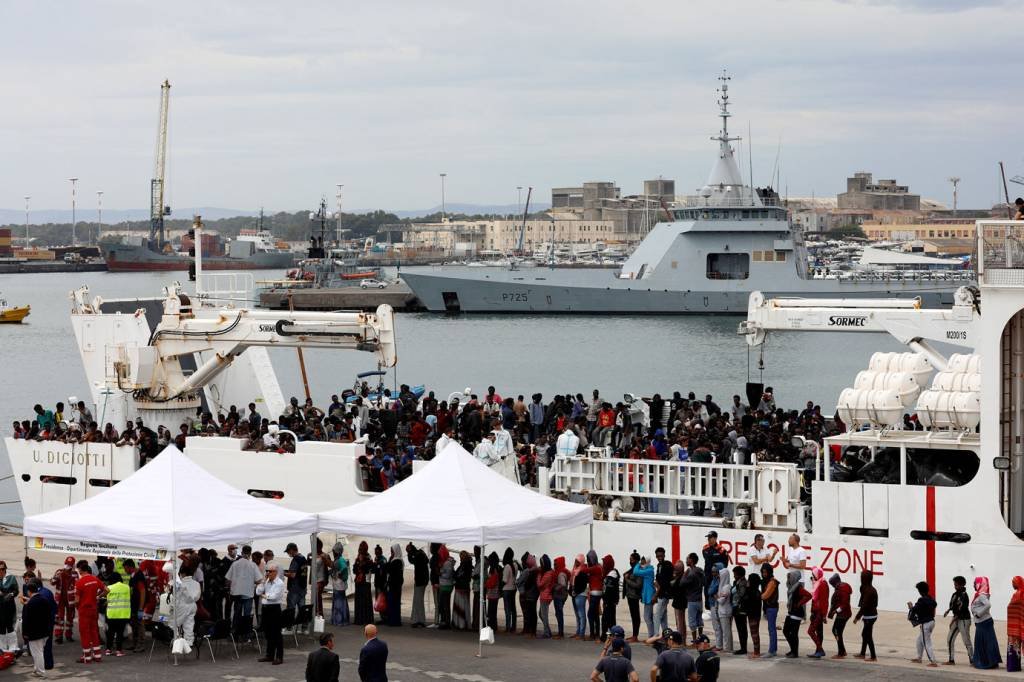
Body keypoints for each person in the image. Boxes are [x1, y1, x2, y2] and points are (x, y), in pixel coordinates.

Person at [73, 561, 108, 664]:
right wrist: (98, 596)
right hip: (94, 610)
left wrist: (77, 607)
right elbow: (107, 590)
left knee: (85, 634)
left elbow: (76, 600)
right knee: (94, 632)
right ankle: (97, 656)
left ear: (80, 570)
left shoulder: (79, 582)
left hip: (84, 611)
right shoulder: (95, 579)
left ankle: (87, 657)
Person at [226, 544, 263, 637]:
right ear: (250, 554)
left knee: (237, 614)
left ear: (241, 553)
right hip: (248, 594)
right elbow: (259, 580)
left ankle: (234, 633)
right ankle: (246, 634)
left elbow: (228, 580)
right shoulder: (253, 565)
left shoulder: (235, 564)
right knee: (247, 615)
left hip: (236, 593)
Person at [22, 580, 52, 678]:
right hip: (45, 631)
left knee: (37, 653)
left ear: (29, 591)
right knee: (40, 651)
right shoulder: (44, 599)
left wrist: (25, 633)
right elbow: (49, 615)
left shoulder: (30, 604)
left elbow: (26, 620)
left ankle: (41, 672)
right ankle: (36, 669)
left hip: (34, 633)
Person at [256, 563, 285, 665]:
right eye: (267, 571)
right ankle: (269, 655)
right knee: (268, 633)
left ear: (276, 572)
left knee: (276, 633)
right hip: (266, 609)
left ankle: (279, 657)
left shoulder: (279, 583)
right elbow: (258, 592)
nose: (268, 573)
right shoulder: (266, 581)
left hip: (274, 609)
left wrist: (264, 596)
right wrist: (263, 582)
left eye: (270, 571)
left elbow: (274, 597)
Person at [971, 576, 1001, 669]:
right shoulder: (981, 594)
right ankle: (991, 661)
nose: (974, 585)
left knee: (983, 643)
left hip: (983, 622)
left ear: (980, 584)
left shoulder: (982, 595)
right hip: (983, 622)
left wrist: (978, 614)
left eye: (975, 583)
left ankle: (986, 662)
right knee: (988, 642)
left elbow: (988, 605)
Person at [942, 575, 972, 666]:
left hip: (963, 619)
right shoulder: (955, 594)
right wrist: (948, 610)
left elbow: (962, 608)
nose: (954, 586)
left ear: (962, 585)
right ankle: (951, 660)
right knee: (949, 639)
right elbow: (953, 605)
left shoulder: (964, 595)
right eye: (954, 584)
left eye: (956, 584)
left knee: (966, 640)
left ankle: (972, 659)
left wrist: (953, 619)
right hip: (957, 618)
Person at [908, 580, 938, 667]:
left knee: (926, 642)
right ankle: (919, 658)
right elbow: (934, 604)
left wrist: (910, 607)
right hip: (931, 622)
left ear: (920, 591)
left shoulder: (921, 600)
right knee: (919, 640)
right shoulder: (930, 599)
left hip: (926, 624)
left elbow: (915, 609)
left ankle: (933, 661)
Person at [783, 569, 810, 658]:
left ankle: (795, 652)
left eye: (790, 577)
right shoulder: (791, 586)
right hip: (791, 611)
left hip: (797, 613)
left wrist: (799, 603)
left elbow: (809, 595)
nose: (789, 578)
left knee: (793, 633)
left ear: (794, 578)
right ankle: (792, 650)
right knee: (786, 631)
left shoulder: (799, 588)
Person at [50, 556, 78, 644]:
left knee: (70, 618)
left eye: (70, 565)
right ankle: (58, 636)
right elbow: (52, 582)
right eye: (67, 564)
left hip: (70, 600)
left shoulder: (75, 574)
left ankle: (68, 635)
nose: (68, 566)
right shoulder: (59, 572)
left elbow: (77, 585)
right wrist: (57, 576)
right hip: (60, 600)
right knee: (59, 618)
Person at [174, 563, 202, 648]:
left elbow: (176, 597)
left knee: (174, 624)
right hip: (193, 606)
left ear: (183, 573)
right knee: (189, 624)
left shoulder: (179, 583)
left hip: (182, 606)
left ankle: (176, 641)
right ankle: (189, 642)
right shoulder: (197, 584)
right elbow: (197, 597)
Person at [852, 569, 878, 661]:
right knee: (865, 634)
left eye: (861, 577)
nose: (860, 579)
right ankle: (863, 653)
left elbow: (864, 606)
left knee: (867, 635)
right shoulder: (865, 588)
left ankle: (873, 656)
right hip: (869, 615)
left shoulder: (869, 591)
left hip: (870, 616)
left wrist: (857, 617)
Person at [104, 573, 130, 657]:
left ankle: (108, 650)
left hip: (111, 614)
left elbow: (107, 600)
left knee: (110, 632)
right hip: (123, 614)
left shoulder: (109, 588)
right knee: (120, 633)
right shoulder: (127, 587)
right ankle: (119, 651)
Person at [680, 553, 704, 644]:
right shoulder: (700, 570)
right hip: (699, 599)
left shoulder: (691, 573)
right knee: (699, 620)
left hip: (692, 600)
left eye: (687, 559)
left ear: (691, 560)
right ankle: (701, 639)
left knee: (692, 621)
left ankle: (695, 641)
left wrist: (685, 574)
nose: (686, 560)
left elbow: (682, 583)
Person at [828, 573, 852, 659]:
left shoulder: (842, 589)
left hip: (843, 614)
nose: (832, 586)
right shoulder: (840, 588)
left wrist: (835, 611)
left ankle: (841, 652)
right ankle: (842, 650)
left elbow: (844, 604)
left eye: (832, 584)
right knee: (837, 631)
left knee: (836, 631)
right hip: (842, 614)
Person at [807, 566, 828, 658]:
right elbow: (814, 599)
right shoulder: (817, 583)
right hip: (816, 611)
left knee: (811, 631)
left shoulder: (822, 584)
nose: (812, 577)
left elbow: (824, 601)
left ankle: (820, 649)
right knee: (819, 632)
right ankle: (818, 651)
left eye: (813, 575)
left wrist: (824, 615)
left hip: (819, 612)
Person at [622, 552, 643, 642]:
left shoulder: (638, 570)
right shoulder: (633, 569)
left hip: (634, 596)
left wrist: (627, 580)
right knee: (633, 616)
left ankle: (635, 636)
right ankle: (634, 635)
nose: (630, 561)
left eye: (632, 559)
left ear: (636, 560)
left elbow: (638, 585)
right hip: (630, 595)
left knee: (635, 616)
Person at [760, 564, 780, 658]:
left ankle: (772, 650)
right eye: (763, 572)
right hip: (769, 607)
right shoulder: (766, 581)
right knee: (771, 629)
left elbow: (765, 595)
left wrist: (756, 596)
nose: (764, 574)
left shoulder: (772, 582)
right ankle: (773, 649)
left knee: (772, 629)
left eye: (765, 572)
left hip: (772, 607)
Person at [406, 543, 428, 628]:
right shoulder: (420, 553)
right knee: (418, 600)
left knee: (418, 601)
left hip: (420, 580)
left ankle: (419, 620)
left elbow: (412, 561)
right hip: (422, 580)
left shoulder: (418, 555)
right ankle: (417, 619)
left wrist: (409, 553)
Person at [353, 542, 375, 626]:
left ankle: (366, 619)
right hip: (359, 581)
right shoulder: (358, 557)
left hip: (365, 582)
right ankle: (359, 619)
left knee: (366, 601)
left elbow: (368, 569)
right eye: (360, 547)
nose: (360, 549)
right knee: (359, 601)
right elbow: (354, 570)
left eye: (362, 548)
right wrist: (359, 563)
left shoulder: (368, 558)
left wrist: (362, 562)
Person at [330, 543, 351, 627]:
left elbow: (344, 567)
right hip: (339, 584)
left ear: (337, 551)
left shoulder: (340, 559)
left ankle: (339, 620)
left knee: (339, 602)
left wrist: (338, 573)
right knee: (341, 601)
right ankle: (342, 620)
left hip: (339, 584)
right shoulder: (338, 559)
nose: (333, 553)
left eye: (334, 551)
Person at [652, 547, 672, 635]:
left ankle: (656, 635)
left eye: (660, 555)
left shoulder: (667, 565)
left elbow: (664, 582)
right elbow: (658, 579)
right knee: (663, 617)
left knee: (657, 616)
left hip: (664, 594)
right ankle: (666, 636)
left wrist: (656, 595)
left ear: (664, 555)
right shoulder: (659, 565)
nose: (659, 557)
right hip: (661, 594)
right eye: (657, 556)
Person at [384, 544, 404, 627]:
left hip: (394, 585)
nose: (391, 552)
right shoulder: (397, 560)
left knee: (393, 603)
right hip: (395, 585)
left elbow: (389, 570)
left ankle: (394, 621)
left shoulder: (397, 561)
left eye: (392, 551)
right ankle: (394, 620)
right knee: (394, 603)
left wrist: (389, 561)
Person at [601, 555, 620, 641]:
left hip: (609, 601)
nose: (603, 564)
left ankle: (604, 637)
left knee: (606, 620)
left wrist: (605, 601)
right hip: (611, 601)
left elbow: (609, 591)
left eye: (604, 563)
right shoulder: (612, 573)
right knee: (611, 620)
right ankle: (612, 636)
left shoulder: (611, 576)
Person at [744, 570, 762, 658]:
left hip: (753, 615)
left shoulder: (753, 592)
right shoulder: (756, 591)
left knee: (754, 633)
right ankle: (756, 650)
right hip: (754, 614)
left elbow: (748, 601)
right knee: (754, 632)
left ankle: (757, 652)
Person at [0, 561, 17, 654]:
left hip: (9, 605)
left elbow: (16, 591)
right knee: (1, 627)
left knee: (10, 626)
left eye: (3, 569)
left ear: (5, 569)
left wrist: (10, 594)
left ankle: (12, 648)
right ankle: (2, 648)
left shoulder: (11, 578)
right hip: (0, 606)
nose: (1, 571)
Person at [731, 565, 748, 655]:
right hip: (735, 607)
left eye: (735, 574)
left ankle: (743, 648)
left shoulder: (743, 583)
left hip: (740, 608)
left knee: (742, 629)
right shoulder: (737, 582)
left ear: (740, 575)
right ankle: (742, 647)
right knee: (740, 628)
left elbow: (742, 594)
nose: (734, 576)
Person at [501, 547, 518, 633]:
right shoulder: (515, 565)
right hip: (513, 588)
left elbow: (504, 580)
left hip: (507, 589)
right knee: (513, 608)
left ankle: (508, 627)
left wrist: (500, 587)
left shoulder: (507, 566)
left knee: (507, 609)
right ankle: (513, 626)